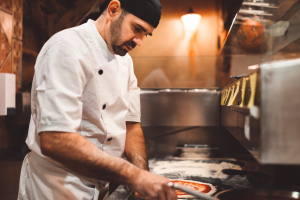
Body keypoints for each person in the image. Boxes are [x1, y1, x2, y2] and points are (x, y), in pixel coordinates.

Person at [17, 0, 177, 199]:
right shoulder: (66, 47)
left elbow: (131, 125)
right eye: (137, 29)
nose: (140, 41)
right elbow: (56, 139)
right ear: (113, 10)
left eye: (146, 34)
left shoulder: (125, 62)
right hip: (56, 186)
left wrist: (142, 176)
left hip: (100, 184)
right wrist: (134, 176)